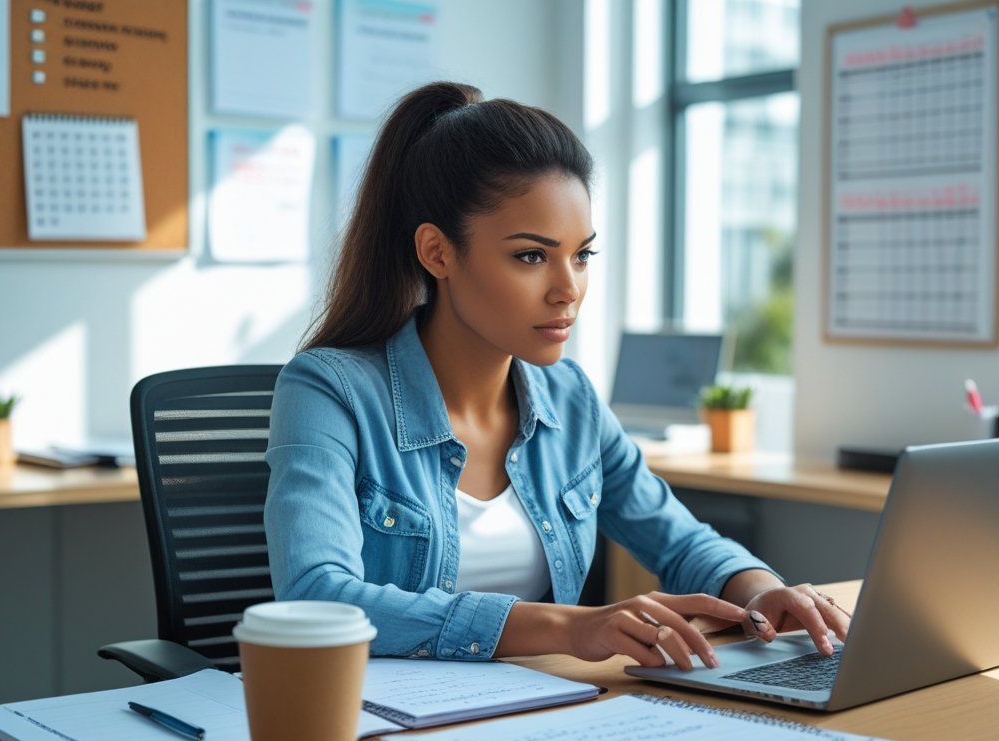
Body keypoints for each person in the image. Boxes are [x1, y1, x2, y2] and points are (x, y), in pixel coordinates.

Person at [264, 81, 849, 671]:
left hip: (537, 708)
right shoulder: (328, 391)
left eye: (582, 255)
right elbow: (317, 594)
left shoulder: (572, 400)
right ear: (437, 253)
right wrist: (568, 628)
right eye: (531, 256)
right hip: (373, 721)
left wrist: (759, 590)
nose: (568, 289)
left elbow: (682, 540)